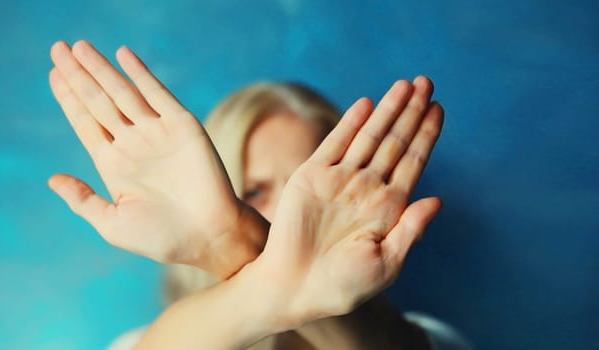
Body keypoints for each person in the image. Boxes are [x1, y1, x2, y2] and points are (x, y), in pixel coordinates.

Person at [47, 40, 471, 349]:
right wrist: (228, 240)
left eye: (309, 184)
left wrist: (234, 245)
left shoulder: (434, 339)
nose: (289, 212)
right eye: (254, 190)